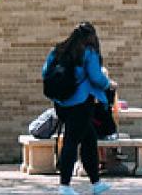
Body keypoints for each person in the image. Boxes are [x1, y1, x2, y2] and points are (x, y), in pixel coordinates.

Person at [42, 22, 115, 195]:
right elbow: (97, 77)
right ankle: (64, 186)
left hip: (61, 103)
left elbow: (45, 73)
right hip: (81, 104)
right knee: (71, 142)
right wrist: (108, 84)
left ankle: (96, 183)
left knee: (89, 140)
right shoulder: (88, 53)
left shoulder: (58, 50)